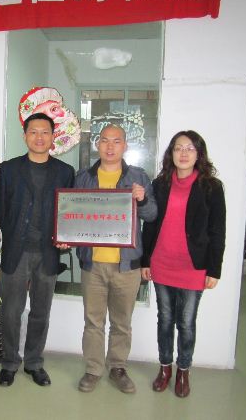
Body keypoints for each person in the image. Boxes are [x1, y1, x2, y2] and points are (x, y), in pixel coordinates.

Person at [141, 130, 226, 398]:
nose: (184, 153)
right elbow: (150, 224)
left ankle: (183, 371)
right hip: (162, 262)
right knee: (165, 319)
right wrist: (145, 260)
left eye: (190, 148)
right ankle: (165, 368)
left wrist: (214, 269)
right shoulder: (160, 184)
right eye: (178, 148)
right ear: (171, 153)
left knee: (186, 323)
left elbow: (218, 231)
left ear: (199, 154)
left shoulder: (211, 187)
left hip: (193, 266)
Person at [75, 124, 157, 394]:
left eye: (116, 141)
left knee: (122, 323)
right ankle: (93, 369)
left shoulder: (138, 177)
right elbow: (72, 215)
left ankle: (118, 368)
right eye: (105, 140)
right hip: (93, 264)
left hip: (127, 265)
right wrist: (66, 237)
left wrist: (142, 199)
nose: (110, 146)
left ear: (125, 146)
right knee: (93, 321)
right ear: (97, 144)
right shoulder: (84, 178)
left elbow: (152, 215)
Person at [0, 112, 75, 387]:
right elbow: (0, 208)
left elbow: (69, 212)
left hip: (48, 253)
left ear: (53, 137)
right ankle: (9, 363)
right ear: (25, 136)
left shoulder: (65, 172)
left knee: (41, 312)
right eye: (33, 131)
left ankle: (34, 363)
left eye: (45, 132)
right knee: (11, 312)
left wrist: (64, 237)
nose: (39, 137)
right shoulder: (8, 169)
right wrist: (13, 235)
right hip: (16, 252)